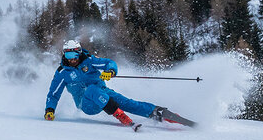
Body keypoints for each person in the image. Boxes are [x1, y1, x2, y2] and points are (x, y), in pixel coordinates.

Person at [44, 39, 185, 127]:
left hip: (103, 94)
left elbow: (109, 63)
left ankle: (160, 113)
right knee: (91, 90)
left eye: (74, 55)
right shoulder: (62, 73)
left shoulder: (90, 61)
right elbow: (53, 93)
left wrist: (110, 71)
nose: (72, 59)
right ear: (64, 55)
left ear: (79, 53)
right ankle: (120, 115)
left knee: (129, 103)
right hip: (86, 104)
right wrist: (50, 110)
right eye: (68, 55)